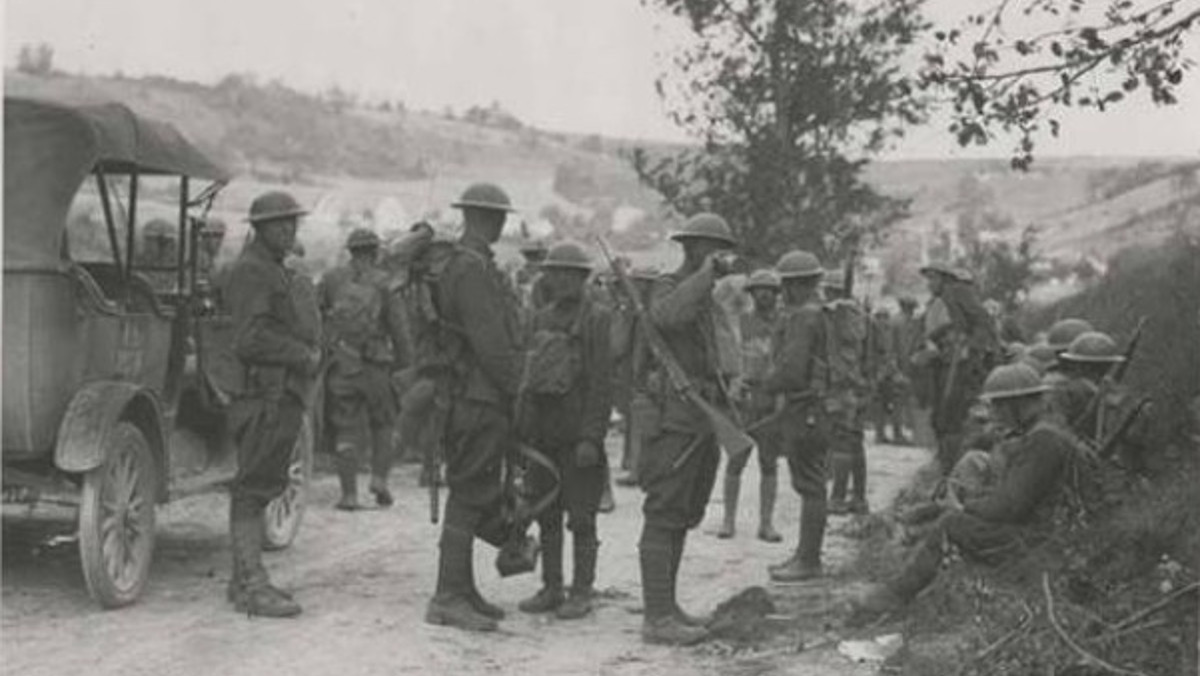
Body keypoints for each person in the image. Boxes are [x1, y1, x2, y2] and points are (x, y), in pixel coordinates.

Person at [849, 362, 1077, 625]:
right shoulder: (1043, 433)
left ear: (1017, 403)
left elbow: (1010, 507)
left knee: (952, 524)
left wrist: (963, 508)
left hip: (1040, 540)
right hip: (1046, 532)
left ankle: (895, 595)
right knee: (955, 514)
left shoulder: (1043, 440)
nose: (996, 413)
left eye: (999, 405)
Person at [424, 183, 525, 633]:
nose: (501, 224)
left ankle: (461, 590)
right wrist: (515, 388)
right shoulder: (470, 268)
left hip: (473, 394)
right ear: (488, 218)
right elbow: (491, 343)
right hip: (477, 397)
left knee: (473, 490)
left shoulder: (468, 263)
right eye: (498, 216)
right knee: (468, 494)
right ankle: (448, 596)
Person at [637, 213, 740, 646]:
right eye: (713, 249)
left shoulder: (707, 297)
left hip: (702, 413)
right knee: (664, 509)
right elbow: (668, 317)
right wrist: (705, 276)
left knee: (684, 512)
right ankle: (657, 617)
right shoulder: (669, 286)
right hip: (674, 418)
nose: (720, 257)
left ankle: (668, 606)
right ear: (692, 247)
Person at [218, 190, 322, 618]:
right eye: (280, 223)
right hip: (264, 397)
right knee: (253, 488)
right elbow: (249, 338)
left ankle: (243, 579)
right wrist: (302, 355)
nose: (288, 230)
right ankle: (252, 585)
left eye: (292, 223)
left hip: (277, 395)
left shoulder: (273, 269)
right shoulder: (252, 271)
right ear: (259, 228)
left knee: (259, 484)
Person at [516, 241, 613, 620]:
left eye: (569, 274)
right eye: (555, 273)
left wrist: (592, 437)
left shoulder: (597, 319)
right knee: (546, 513)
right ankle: (552, 586)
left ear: (582, 278)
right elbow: (528, 379)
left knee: (582, 517)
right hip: (544, 434)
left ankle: (582, 590)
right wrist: (523, 431)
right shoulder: (539, 318)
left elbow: (602, 383)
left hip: (578, 434)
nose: (561, 281)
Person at [318, 228, 409, 510]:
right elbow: (399, 329)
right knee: (384, 423)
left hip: (342, 365)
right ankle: (379, 479)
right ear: (375, 252)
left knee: (345, 428)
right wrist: (405, 364)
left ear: (351, 251)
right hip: (376, 366)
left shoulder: (332, 279)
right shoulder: (385, 283)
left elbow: (317, 314)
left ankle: (349, 495)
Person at [763, 250, 831, 583]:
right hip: (817, 408)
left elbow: (791, 371)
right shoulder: (821, 313)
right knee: (812, 483)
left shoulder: (804, 317)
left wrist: (765, 383)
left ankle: (808, 560)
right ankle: (805, 555)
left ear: (793, 285)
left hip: (806, 410)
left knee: (810, 484)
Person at [717, 269, 784, 542]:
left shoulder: (784, 323)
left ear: (777, 294)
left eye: (769, 290)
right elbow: (730, 357)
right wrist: (734, 386)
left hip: (771, 396)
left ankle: (766, 523)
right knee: (736, 460)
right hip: (745, 398)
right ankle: (728, 520)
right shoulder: (740, 322)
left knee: (769, 463)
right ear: (752, 294)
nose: (764, 294)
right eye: (758, 290)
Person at [917, 262, 1000, 475]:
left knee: (951, 416)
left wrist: (970, 348)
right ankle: (943, 463)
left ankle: (952, 467)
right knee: (940, 418)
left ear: (945, 278)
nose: (929, 284)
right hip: (941, 364)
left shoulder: (958, 292)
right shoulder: (936, 302)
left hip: (960, 366)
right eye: (928, 279)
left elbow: (983, 323)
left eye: (933, 278)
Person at [820, 270, 872, 516]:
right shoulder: (861, 316)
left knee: (840, 441)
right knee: (855, 442)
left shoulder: (833, 315)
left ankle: (838, 498)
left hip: (839, 384)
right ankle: (859, 498)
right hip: (858, 384)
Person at [612, 266, 659, 487]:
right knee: (636, 423)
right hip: (635, 377)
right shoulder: (634, 312)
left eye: (641, 282)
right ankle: (635, 465)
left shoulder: (655, 312)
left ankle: (639, 470)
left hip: (652, 379)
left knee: (644, 426)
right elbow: (618, 346)